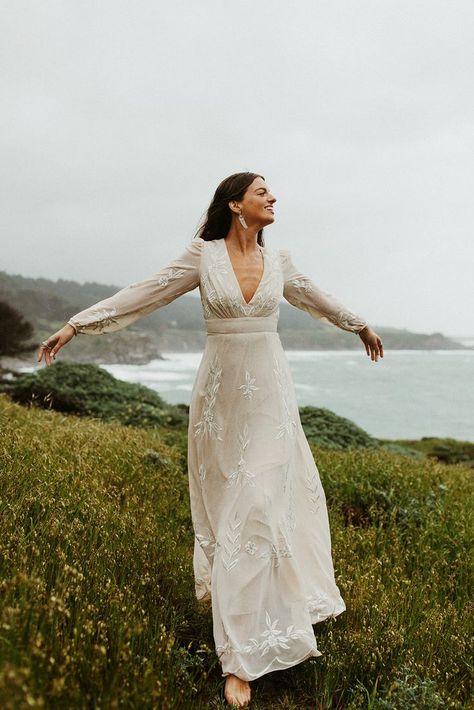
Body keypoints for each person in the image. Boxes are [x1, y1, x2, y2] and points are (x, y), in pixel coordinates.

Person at [38, 172, 383, 708]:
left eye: (272, 192)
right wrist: (76, 324)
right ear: (235, 203)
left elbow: (317, 297)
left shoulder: (280, 261)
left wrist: (359, 325)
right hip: (220, 404)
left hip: (270, 398)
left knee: (261, 506)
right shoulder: (202, 256)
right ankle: (243, 635)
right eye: (262, 191)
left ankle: (242, 658)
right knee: (233, 518)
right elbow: (145, 293)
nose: (273, 198)